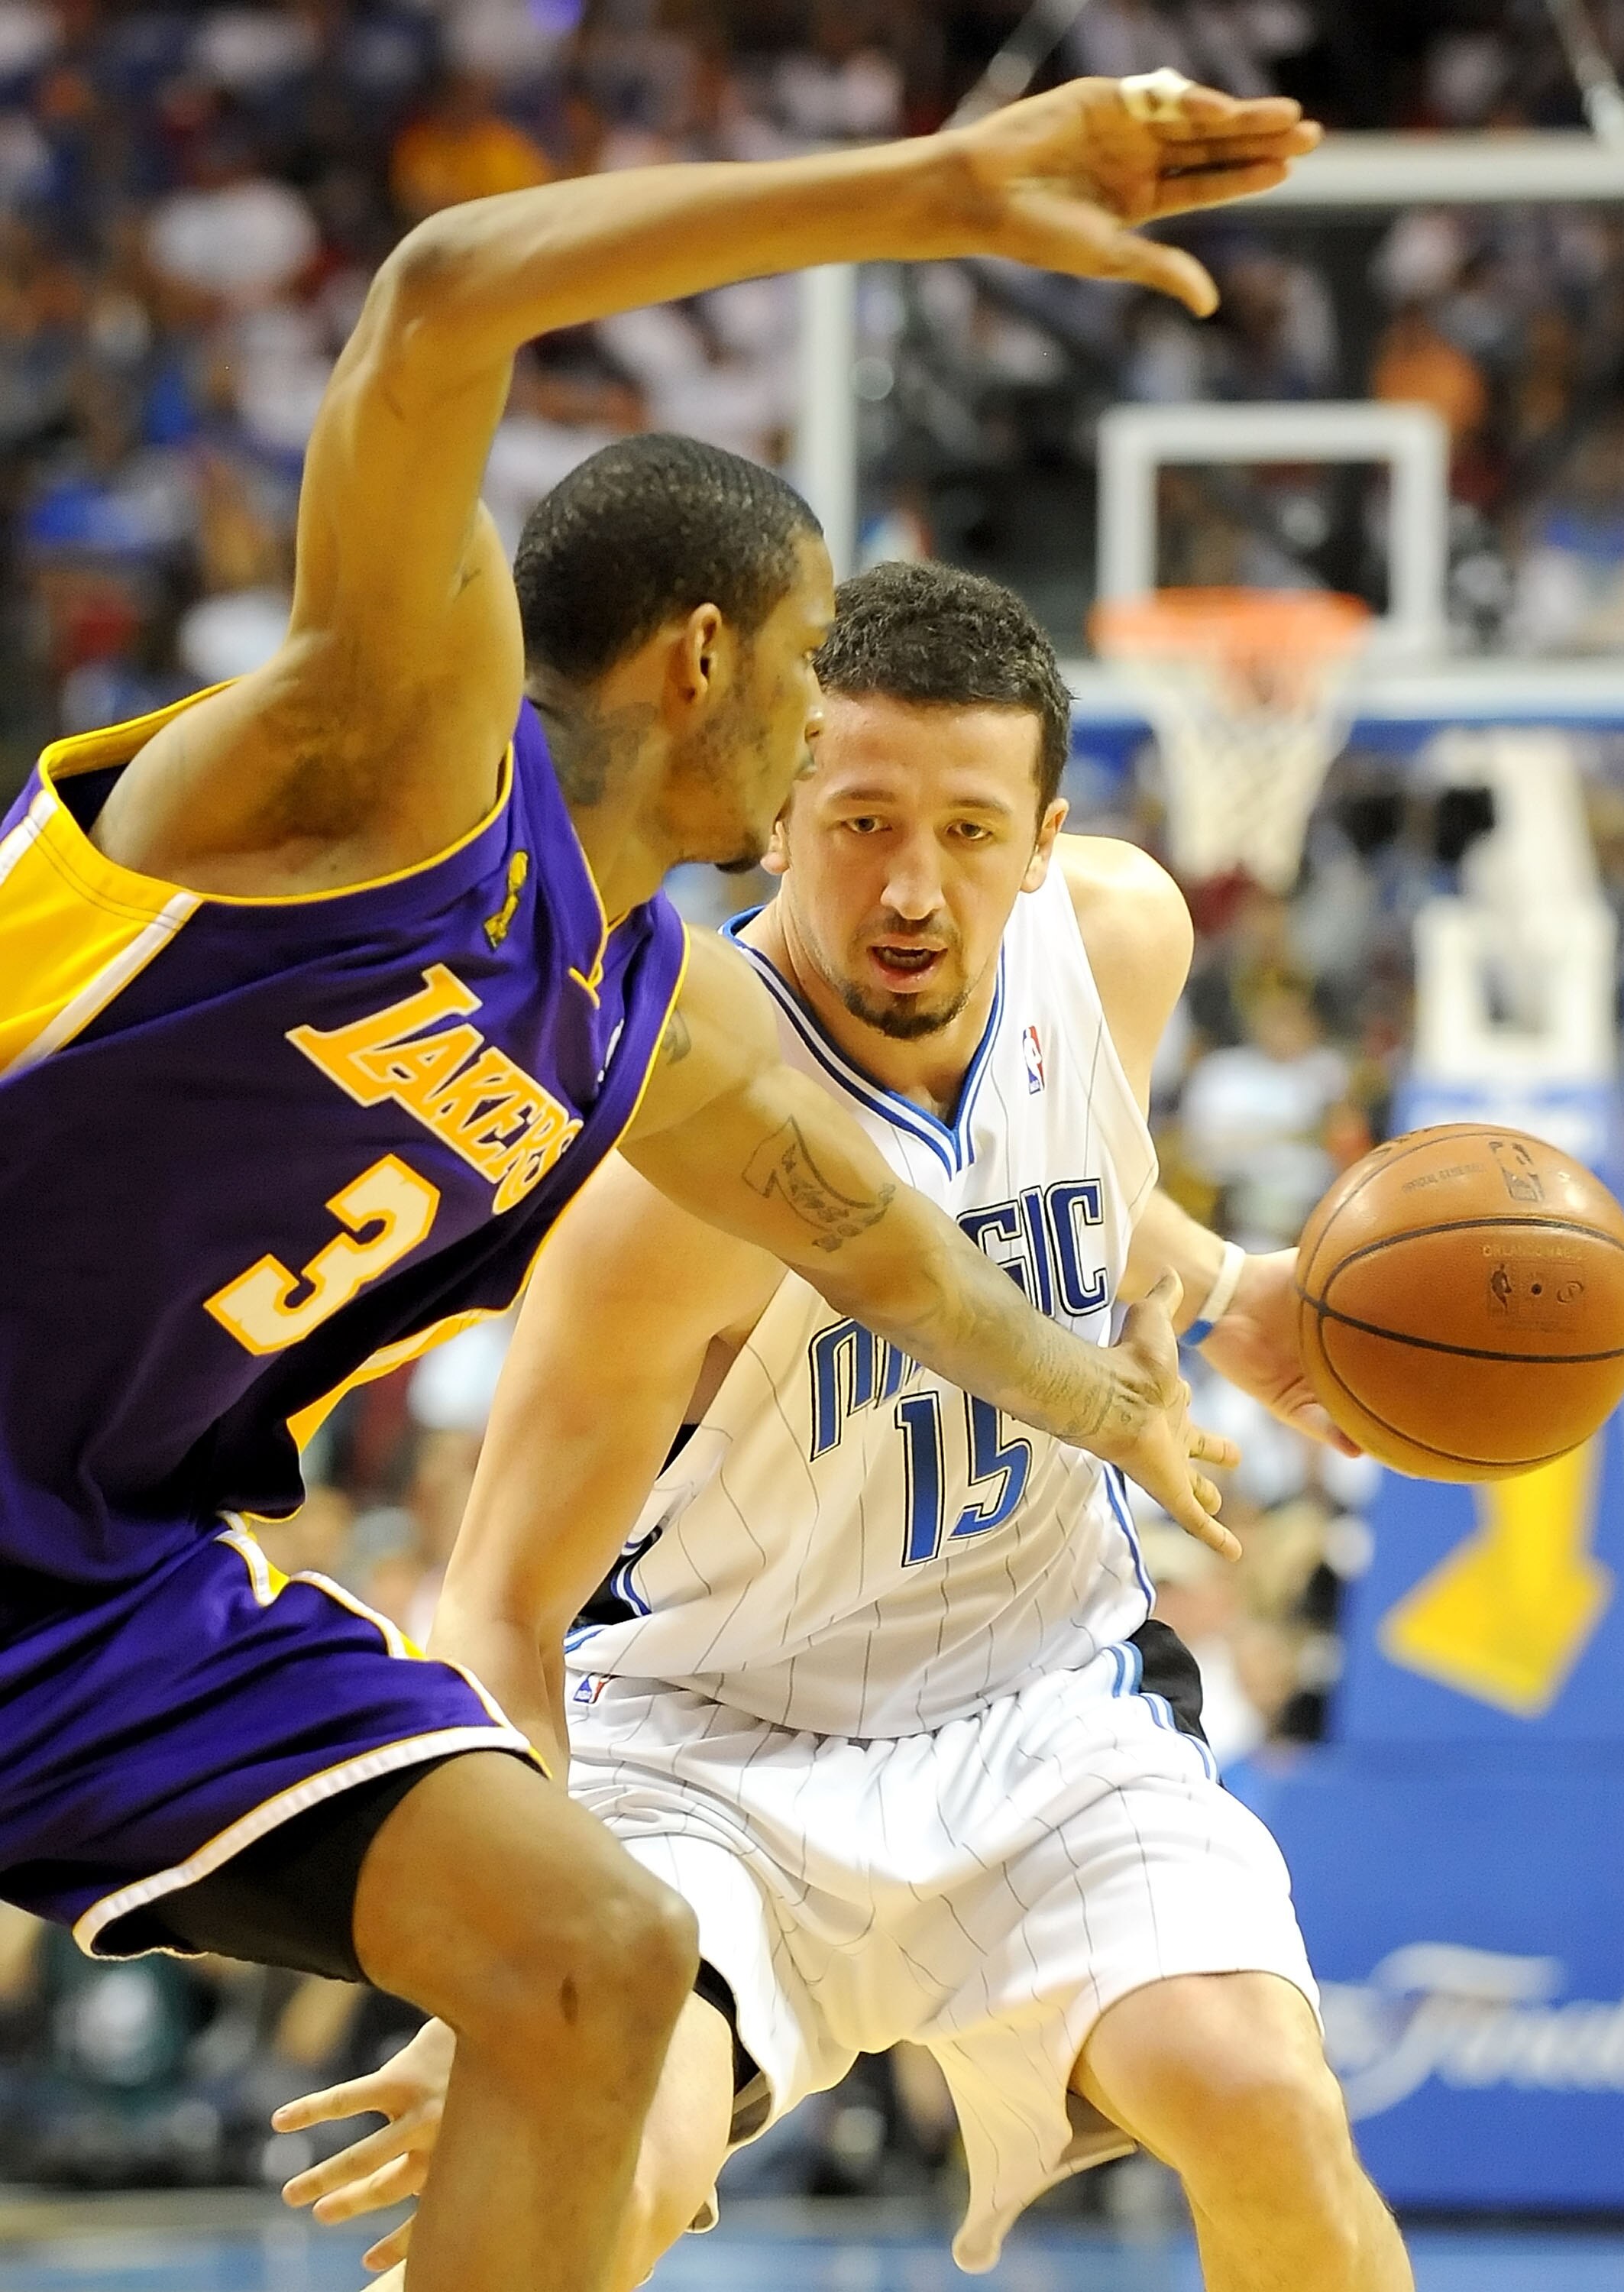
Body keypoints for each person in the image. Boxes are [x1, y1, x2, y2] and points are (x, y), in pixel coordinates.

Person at [0, 73, 1320, 2292]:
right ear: (704, 656)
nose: (825, 734)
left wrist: (1114, 1405)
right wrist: (928, 194)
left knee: (598, 1959)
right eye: (813, 673)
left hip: (99, 1570)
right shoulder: (405, 758)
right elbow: (432, 303)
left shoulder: (643, 1007)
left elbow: (882, 1244)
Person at [280, 563, 1411, 2292]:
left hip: (1040, 1706)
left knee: (1257, 2095)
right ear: (781, 812)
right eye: (862, 818)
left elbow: (1053, 1183)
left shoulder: (1117, 942)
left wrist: (1213, 1267)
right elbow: (499, 1601)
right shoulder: (675, 1174)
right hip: (703, 1754)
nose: (909, 887)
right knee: (589, 2173)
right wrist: (496, 1971)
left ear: (1043, 842)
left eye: (967, 831)